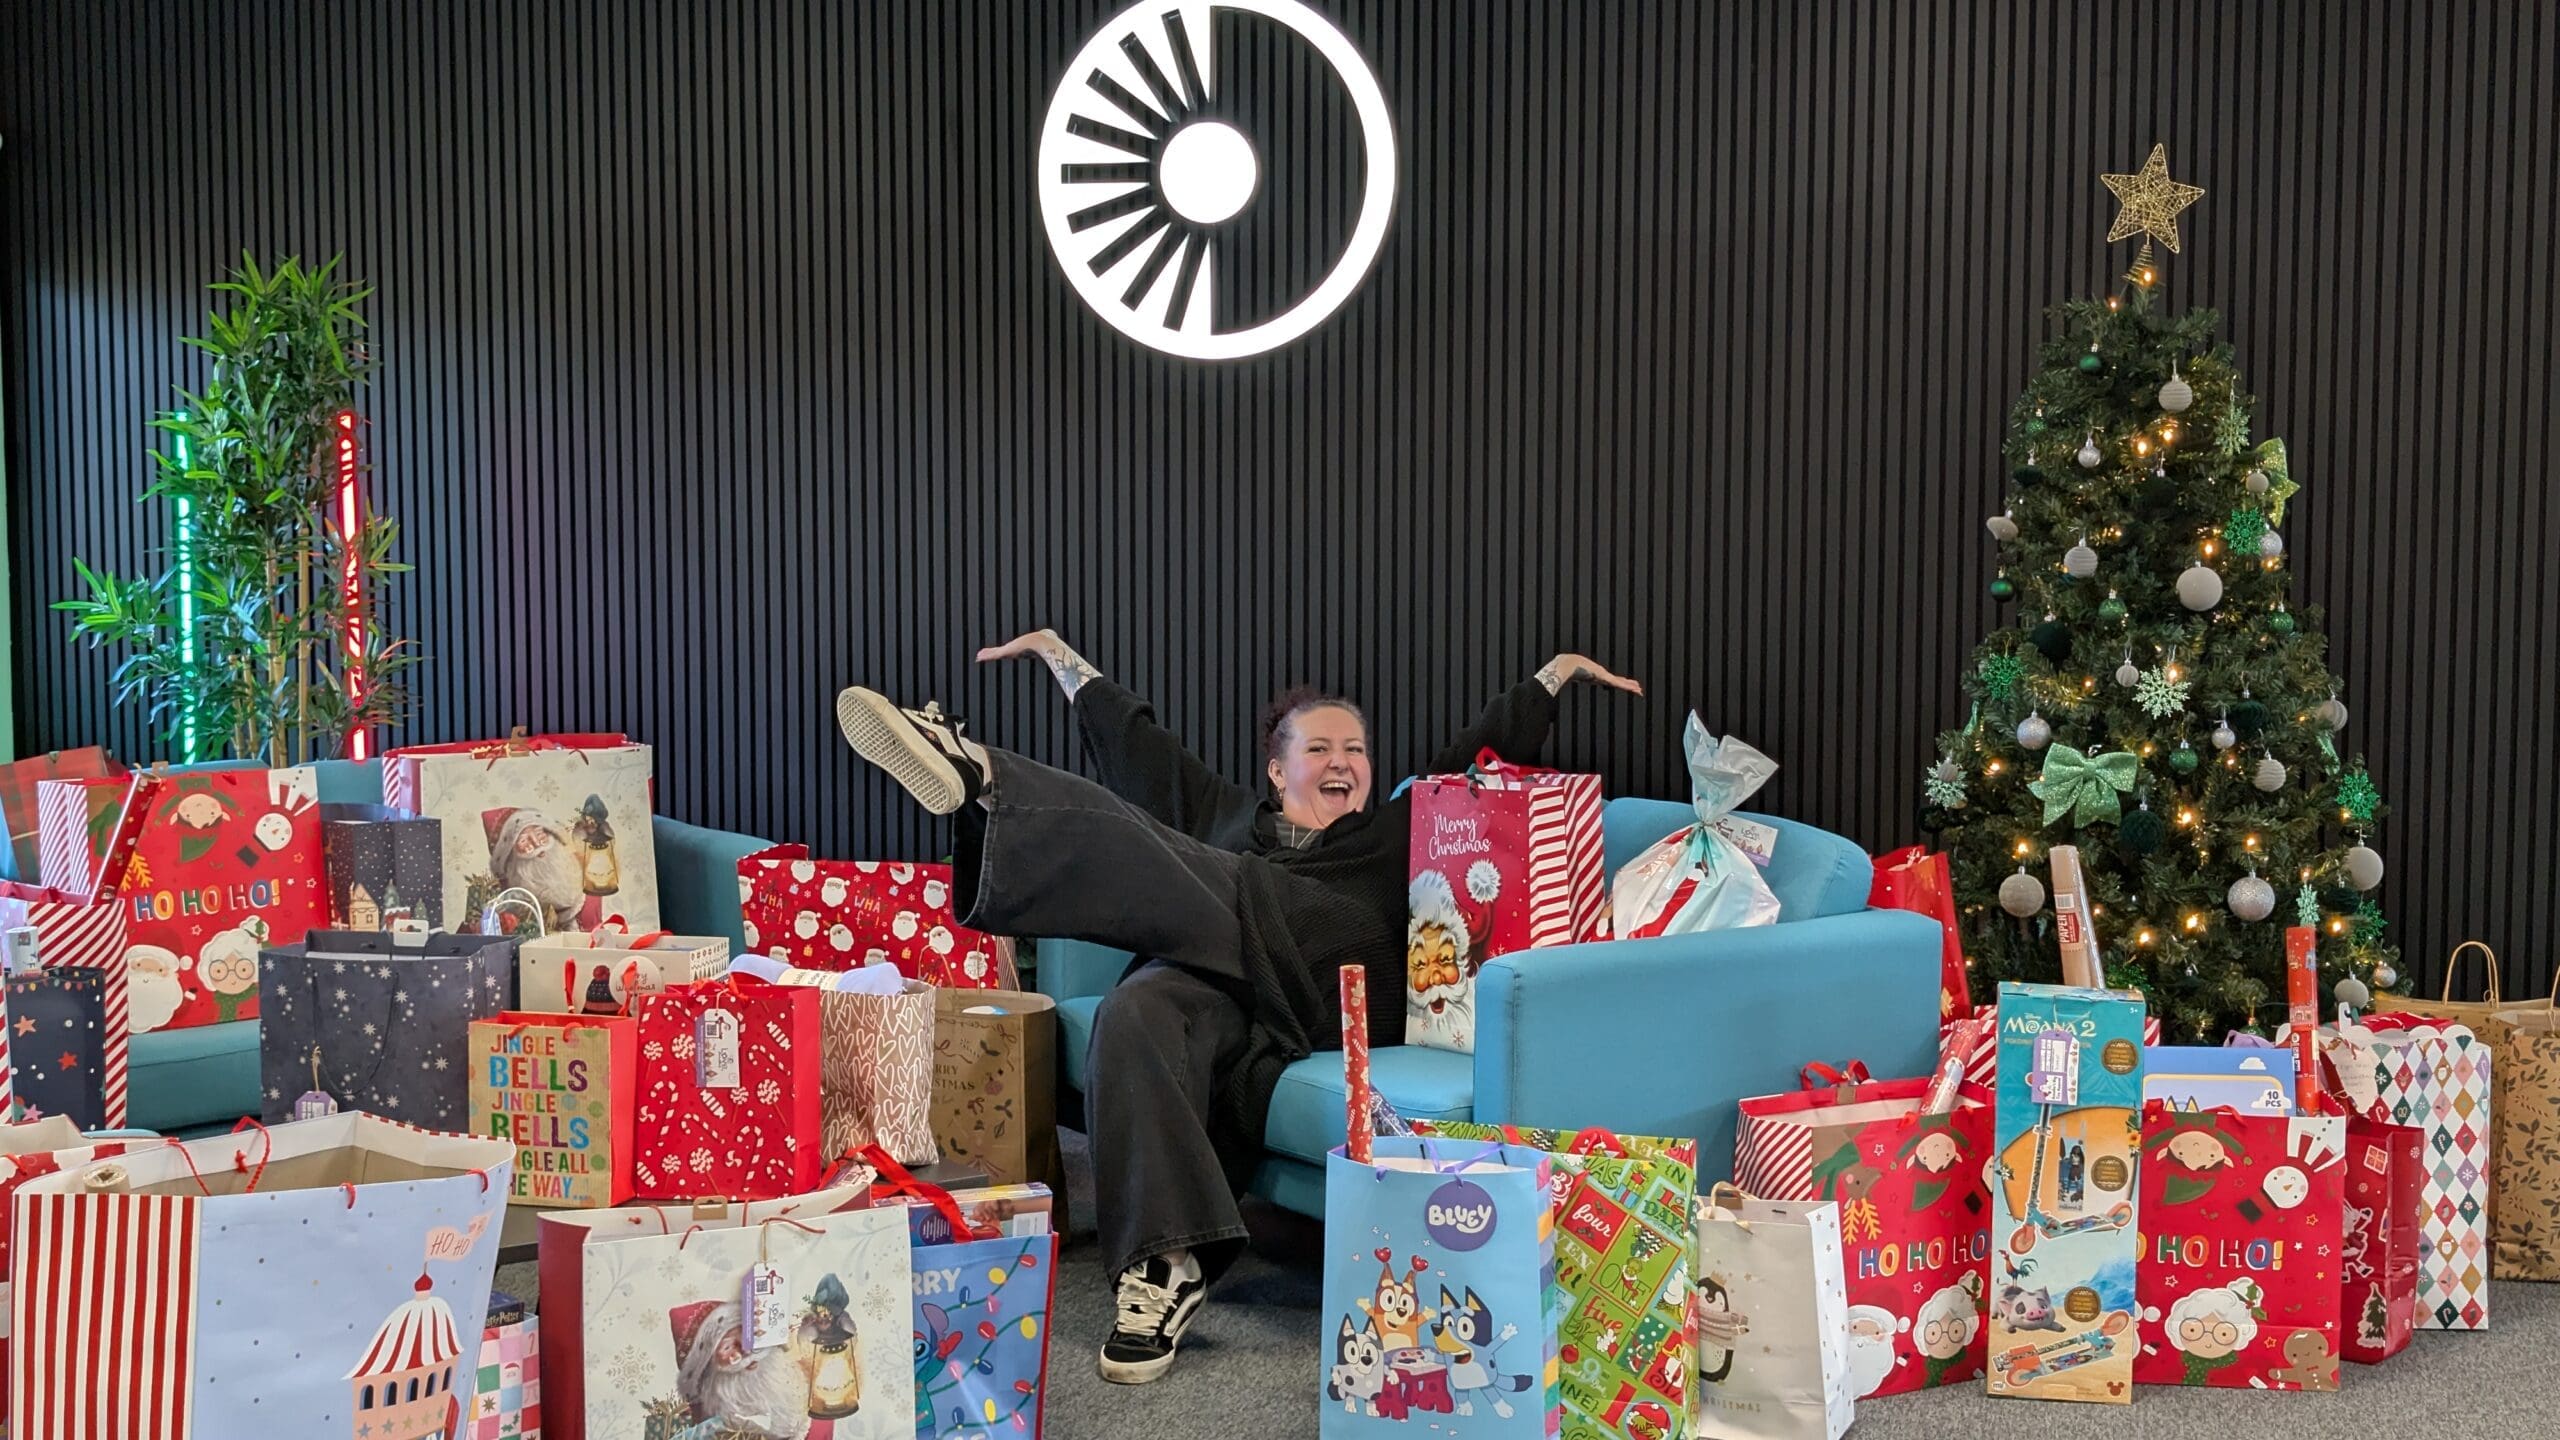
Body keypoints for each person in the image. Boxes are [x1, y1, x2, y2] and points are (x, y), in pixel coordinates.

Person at [834, 630, 1641, 1385]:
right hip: (1224, 990)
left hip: (1314, 989)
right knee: (1136, 1008)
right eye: (1317, 748)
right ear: (1276, 772)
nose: (1341, 762)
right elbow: (1140, 752)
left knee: (1222, 878)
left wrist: (1553, 677)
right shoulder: (1226, 818)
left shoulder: (1396, 829)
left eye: (1355, 750)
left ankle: (985, 779)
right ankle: (1164, 1266)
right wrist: (1060, 659)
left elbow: (1477, 752)